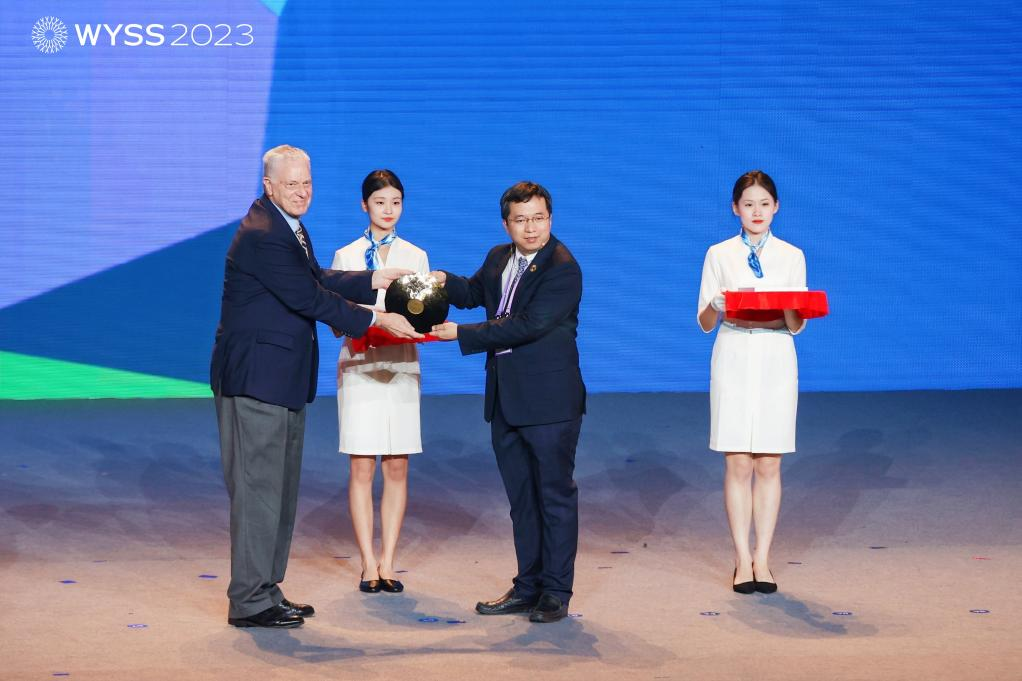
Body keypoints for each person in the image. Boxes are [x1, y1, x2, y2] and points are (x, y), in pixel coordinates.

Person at [210, 145, 420, 628]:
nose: (302, 192)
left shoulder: (286, 225)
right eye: (292, 184)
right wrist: (378, 317)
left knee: (278, 492)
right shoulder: (264, 233)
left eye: (306, 183)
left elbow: (316, 278)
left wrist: (374, 278)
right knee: (258, 491)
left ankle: (266, 590)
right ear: (269, 185)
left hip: (279, 379)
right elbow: (310, 297)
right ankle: (249, 600)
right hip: (257, 379)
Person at [431, 181, 585, 624]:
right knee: (522, 501)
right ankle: (527, 586)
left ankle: (555, 592)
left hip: (550, 404)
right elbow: (474, 293)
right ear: (506, 224)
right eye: (521, 220)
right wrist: (442, 280)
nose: (531, 228)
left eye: (539, 218)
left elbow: (526, 324)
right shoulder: (500, 257)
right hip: (506, 401)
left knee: (554, 498)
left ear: (550, 219)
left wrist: (461, 335)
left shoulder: (563, 268)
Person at [696, 170, 807, 595]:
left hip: (776, 354)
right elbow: (705, 322)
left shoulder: (792, 255)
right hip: (734, 352)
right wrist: (717, 303)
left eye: (764, 204)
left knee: (769, 462)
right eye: (748, 204)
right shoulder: (719, 254)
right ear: (735, 209)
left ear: (776, 206)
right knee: (739, 462)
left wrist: (792, 305)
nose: (756, 212)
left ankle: (764, 558)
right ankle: (742, 558)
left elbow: (796, 325)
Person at [331, 170, 429, 594]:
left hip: (401, 366)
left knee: (397, 465)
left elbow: (425, 314)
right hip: (359, 366)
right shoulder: (346, 256)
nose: (389, 210)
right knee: (361, 465)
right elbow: (334, 319)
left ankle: (389, 560)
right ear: (364, 205)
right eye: (380, 202)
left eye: (396, 202)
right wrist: (366, 322)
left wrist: (416, 324)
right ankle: (367, 563)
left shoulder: (416, 256)